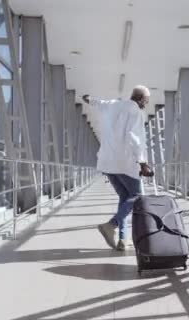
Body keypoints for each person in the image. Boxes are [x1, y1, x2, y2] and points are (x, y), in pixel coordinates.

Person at [82, 86, 152, 251]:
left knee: (124, 198)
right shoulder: (136, 112)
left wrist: (88, 98)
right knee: (137, 196)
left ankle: (122, 239)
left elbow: (98, 103)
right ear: (141, 99)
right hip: (124, 163)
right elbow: (134, 137)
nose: (146, 104)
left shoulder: (113, 104)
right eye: (146, 101)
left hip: (107, 162)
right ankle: (110, 225)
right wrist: (142, 162)